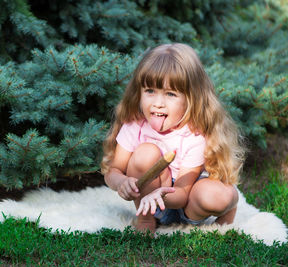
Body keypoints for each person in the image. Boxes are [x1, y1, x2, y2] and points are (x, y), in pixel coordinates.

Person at [101, 43, 246, 233]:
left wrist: (160, 195)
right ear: (139, 92)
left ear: (191, 98)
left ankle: (231, 206)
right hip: (151, 206)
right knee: (146, 152)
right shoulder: (134, 127)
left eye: (170, 94)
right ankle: (146, 221)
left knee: (218, 196)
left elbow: (183, 194)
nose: (158, 103)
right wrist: (121, 182)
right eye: (150, 91)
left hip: (187, 203)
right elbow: (113, 171)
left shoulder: (194, 136)